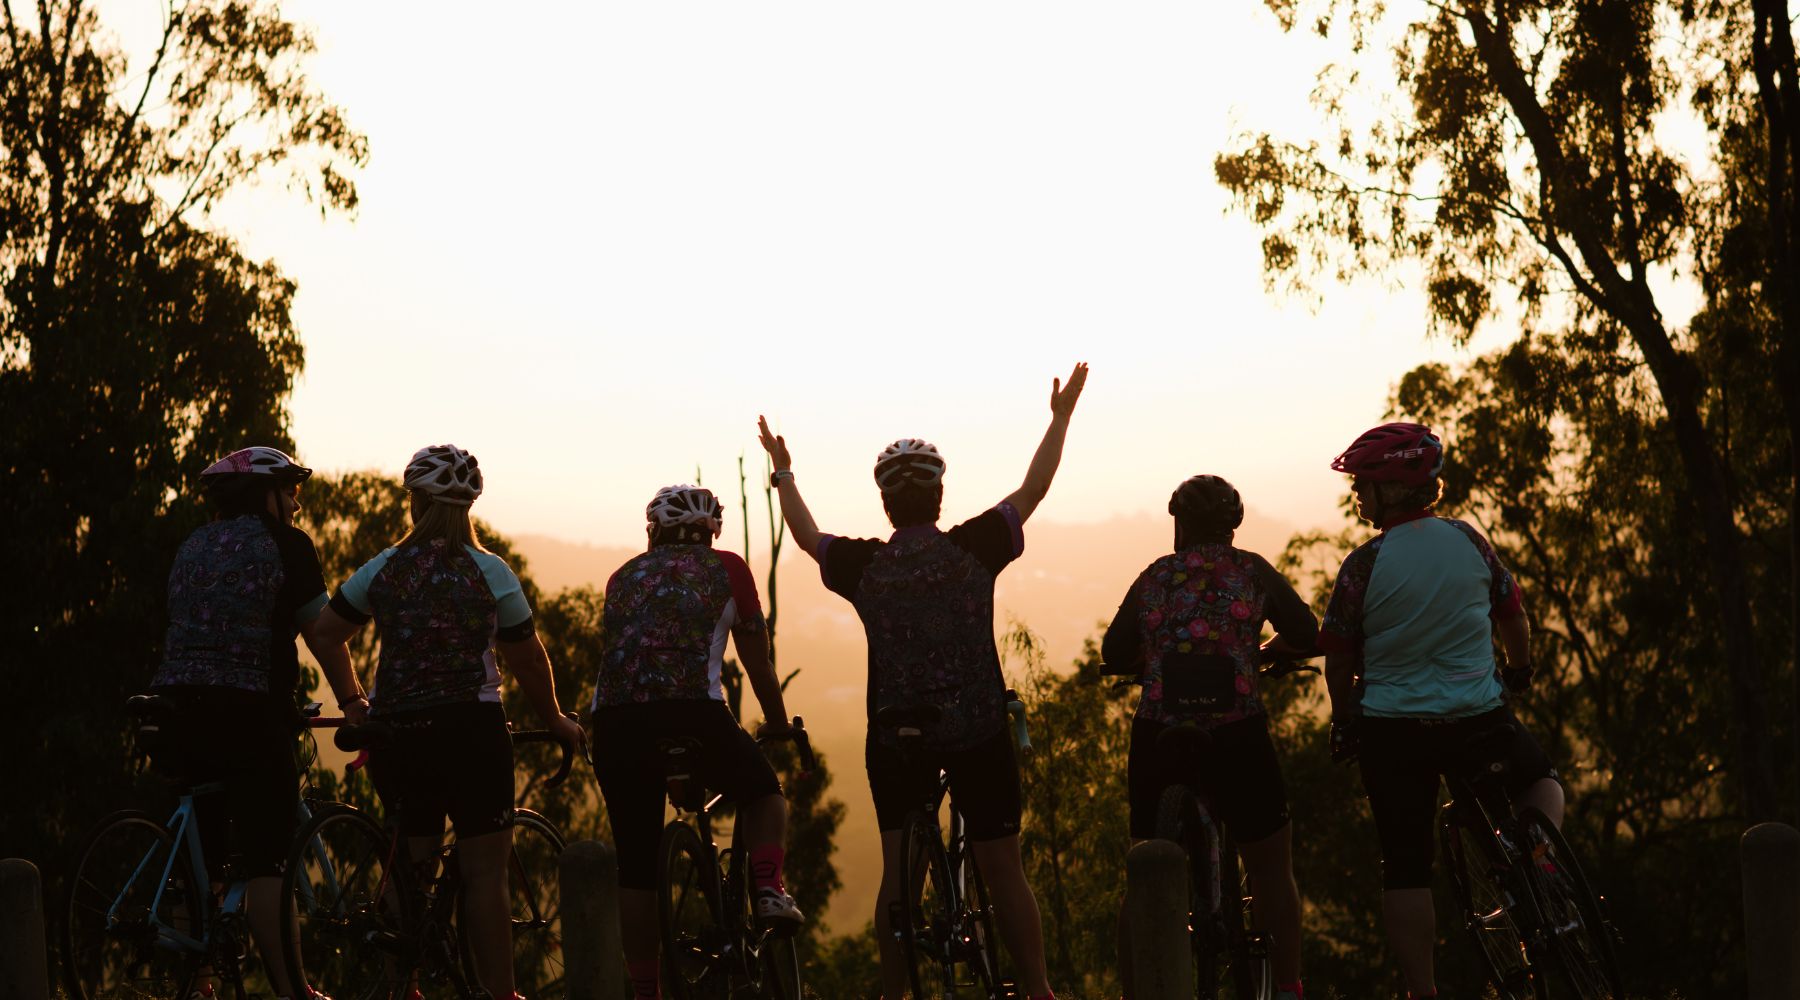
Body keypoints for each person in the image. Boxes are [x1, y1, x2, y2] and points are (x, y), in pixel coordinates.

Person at [758, 361, 1089, 1000]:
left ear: (886, 502)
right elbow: (1034, 489)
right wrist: (1060, 417)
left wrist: (784, 472)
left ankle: (894, 992)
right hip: (979, 729)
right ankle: (1039, 990)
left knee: (899, 881)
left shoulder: (865, 565)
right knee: (1003, 869)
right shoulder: (975, 547)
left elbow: (805, 537)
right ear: (940, 497)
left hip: (896, 736)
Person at [308, 444, 585, 1000]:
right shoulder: (490, 572)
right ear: (466, 508)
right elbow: (528, 658)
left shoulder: (384, 567)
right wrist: (554, 718)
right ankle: (500, 993)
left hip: (397, 735)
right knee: (486, 875)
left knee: (410, 866)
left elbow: (322, 631)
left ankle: (401, 986)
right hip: (471, 733)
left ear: (415, 503)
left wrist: (356, 699)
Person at [1317, 422, 1557, 1000]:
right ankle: (1542, 864)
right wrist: (1519, 671)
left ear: (1387, 491)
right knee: (1541, 781)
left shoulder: (1363, 565)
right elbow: (1513, 617)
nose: (1356, 496)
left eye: (1362, 486)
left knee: (1404, 863)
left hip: (1393, 732)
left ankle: (1421, 991)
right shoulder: (1469, 541)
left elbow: (1339, 655)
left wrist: (1345, 717)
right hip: (1478, 718)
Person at [1101, 474, 1317, 1000]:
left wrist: (1153, 657)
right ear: (1233, 527)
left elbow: (1112, 652)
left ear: (1179, 524)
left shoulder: (1156, 576)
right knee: (1271, 868)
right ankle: (1287, 987)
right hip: (1237, 731)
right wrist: (1261, 653)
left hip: (1160, 735)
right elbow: (1308, 632)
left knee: (1145, 871)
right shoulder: (1250, 569)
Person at [587, 483, 802, 1000]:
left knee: (636, 869)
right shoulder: (727, 568)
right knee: (765, 792)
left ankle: (645, 991)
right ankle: (769, 890)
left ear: (653, 532)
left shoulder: (623, 576)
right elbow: (758, 665)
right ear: (712, 533)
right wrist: (777, 725)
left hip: (615, 724)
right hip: (693, 712)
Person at [147, 446, 334, 1000]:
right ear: (268, 495)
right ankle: (294, 992)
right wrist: (353, 701)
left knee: (195, 855)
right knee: (268, 860)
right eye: (291, 492)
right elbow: (322, 634)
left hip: (176, 710)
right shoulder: (287, 545)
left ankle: (195, 982)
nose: (297, 503)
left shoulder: (193, 545)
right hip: (250, 717)